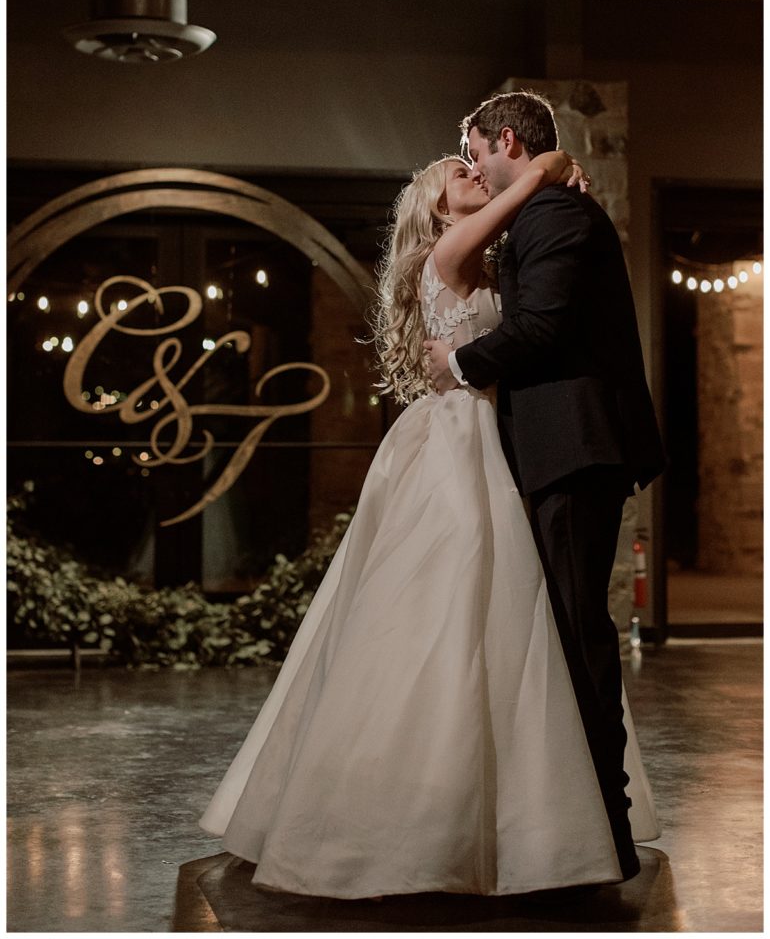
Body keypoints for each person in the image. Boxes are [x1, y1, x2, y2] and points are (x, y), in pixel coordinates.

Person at [200, 148, 658, 899]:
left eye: (476, 166)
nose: (475, 177)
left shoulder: (496, 261)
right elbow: (517, 216)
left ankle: (524, 809)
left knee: (509, 612)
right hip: (452, 440)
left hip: (498, 435)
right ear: (438, 206)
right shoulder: (444, 249)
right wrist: (547, 171)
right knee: (444, 597)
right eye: (460, 175)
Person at [425, 90, 666, 882]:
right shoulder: (537, 213)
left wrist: (457, 364)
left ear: (503, 141)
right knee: (561, 633)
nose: (473, 168)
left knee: (575, 632)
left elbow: (544, 328)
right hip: (554, 450)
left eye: (474, 151)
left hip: (573, 449)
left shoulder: (553, 217)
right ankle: (575, 819)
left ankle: (605, 828)